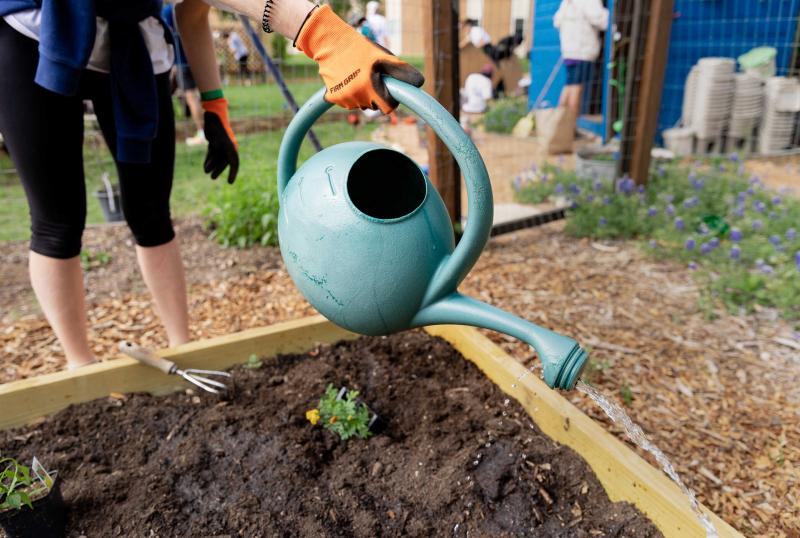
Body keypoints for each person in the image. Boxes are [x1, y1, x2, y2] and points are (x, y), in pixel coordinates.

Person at [0, 0, 423, 370]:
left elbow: (194, 9)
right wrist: (318, 33)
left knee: (151, 213)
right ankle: (81, 369)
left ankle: (184, 349)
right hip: (34, 32)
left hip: (132, 41)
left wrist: (214, 103)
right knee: (58, 219)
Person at [554, 0, 608, 117]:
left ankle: (560, 122)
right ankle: (573, 124)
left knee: (569, 85)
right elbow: (601, 20)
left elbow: (557, 22)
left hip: (568, 50)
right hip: (583, 50)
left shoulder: (566, 2)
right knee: (577, 87)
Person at [162, 1, 205, 146]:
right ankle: (207, 130)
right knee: (198, 96)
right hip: (197, 59)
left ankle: (202, 132)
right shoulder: (189, 5)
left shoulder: (168, 11)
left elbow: (166, 36)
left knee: (191, 97)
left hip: (182, 61)